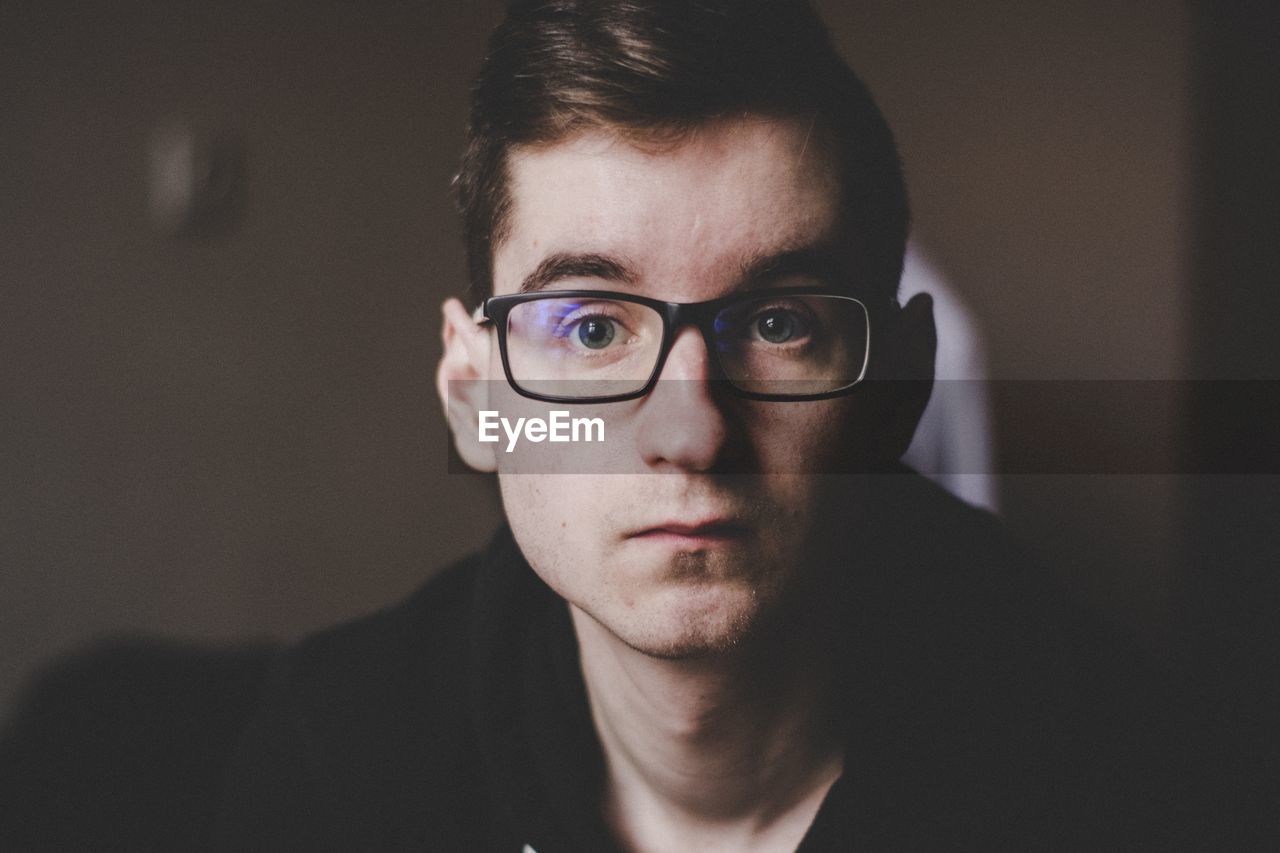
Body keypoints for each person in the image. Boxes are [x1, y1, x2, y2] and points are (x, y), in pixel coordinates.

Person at [217, 1, 1190, 849]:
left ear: (895, 386)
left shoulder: (1113, 771)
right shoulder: (334, 766)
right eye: (592, 325)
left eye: (776, 324)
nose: (690, 432)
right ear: (475, 397)